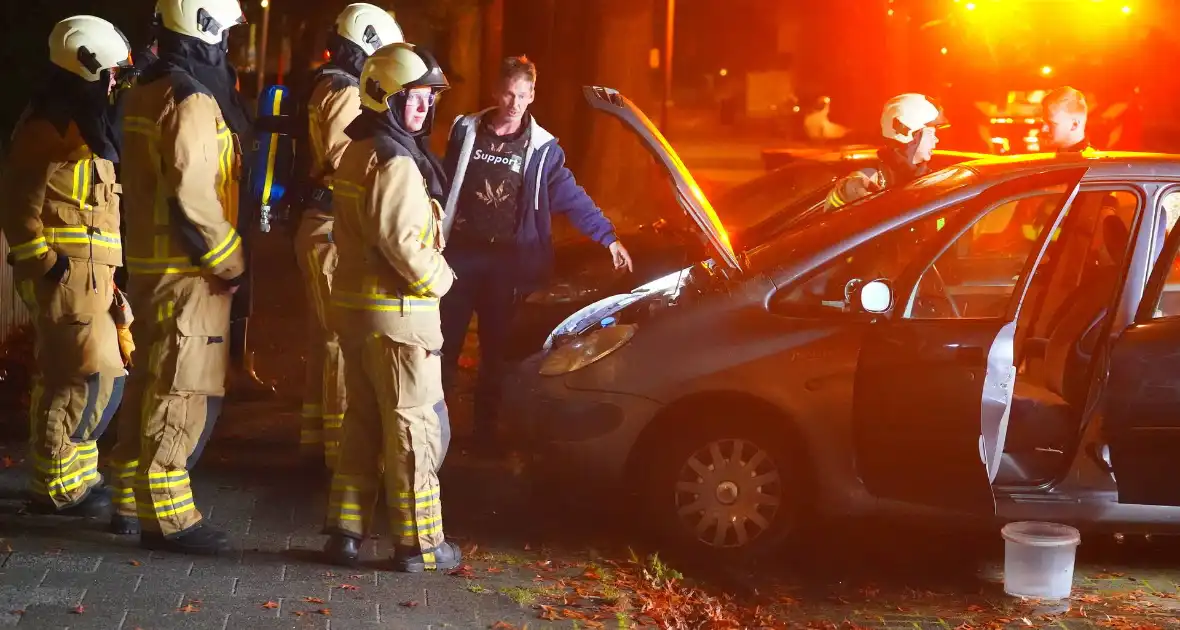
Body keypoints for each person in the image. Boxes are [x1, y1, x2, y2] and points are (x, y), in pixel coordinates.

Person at [106, 0, 250, 554]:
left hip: (152, 261)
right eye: (225, 35)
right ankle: (168, 516)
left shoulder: (149, 88)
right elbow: (194, 194)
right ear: (204, 29)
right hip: (188, 269)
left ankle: (129, 498)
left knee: (150, 379)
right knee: (181, 388)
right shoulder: (189, 99)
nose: (227, 49)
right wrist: (231, 261)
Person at [439, 56, 632, 453]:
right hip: (459, 257)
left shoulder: (542, 149)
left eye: (523, 96)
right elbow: (441, 180)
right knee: (443, 345)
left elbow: (571, 196)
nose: (514, 103)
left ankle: (484, 435)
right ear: (496, 91)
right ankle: (430, 429)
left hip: (505, 264)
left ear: (532, 97)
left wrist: (607, 237)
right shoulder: (466, 130)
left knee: (496, 353)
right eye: (509, 93)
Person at [322, 42, 461, 572]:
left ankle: (345, 532)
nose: (423, 107)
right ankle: (420, 546)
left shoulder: (360, 149)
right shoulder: (397, 160)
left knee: (361, 424)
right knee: (412, 431)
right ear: (386, 97)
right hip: (399, 321)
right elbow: (403, 244)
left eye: (428, 98)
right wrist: (444, 279)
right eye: (414, 97)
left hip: (359, 317)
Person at [0, 15, 135, 518]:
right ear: (90, 67)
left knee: (102, 376)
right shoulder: (48, 125)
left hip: (92, 277)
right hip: (66, 278)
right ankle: (54, 483)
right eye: (112, 73)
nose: (116, 82)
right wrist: (46, 264)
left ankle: (78, 476)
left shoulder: (83, 125)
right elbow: (18, 200)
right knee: (74, 375)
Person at [292, 3, 404, 471]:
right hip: (330, 227)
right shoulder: (342, 90)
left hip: (325, 225)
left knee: (328, 337)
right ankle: (345, 455)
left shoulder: (333, 83)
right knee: (341, 337)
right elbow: (346, 164)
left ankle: (320, 441)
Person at [824, 93, 948, 211]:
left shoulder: (932, 178)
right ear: (909, 133)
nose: (936, 140)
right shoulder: (872, 180)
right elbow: (828, 219)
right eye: (931, 133)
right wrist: (845, 193)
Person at [1041, 86, 1094, 153]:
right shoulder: (1091, 161)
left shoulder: (1093, 162)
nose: (1043, 129)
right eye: (1044, 122)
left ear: (1074, 125)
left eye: (1051, 123)